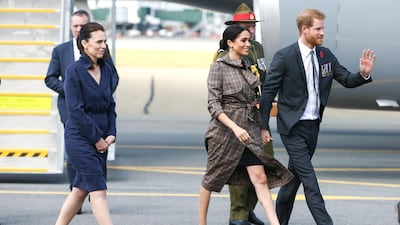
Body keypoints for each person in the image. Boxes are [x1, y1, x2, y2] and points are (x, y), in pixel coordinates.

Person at [259, 8, 376, 225]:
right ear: (305, 29)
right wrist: (263, 126)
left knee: (292, 181)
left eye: (323, 28)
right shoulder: (285, 57)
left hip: (313, 128)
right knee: (310, 182)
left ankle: (278, 221)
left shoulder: (325, 55)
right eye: (318, 28)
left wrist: (363, 74)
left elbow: (347, 80)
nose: (322, 33)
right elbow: (268, 92)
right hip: (292, 128)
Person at [198, 25, 293, 225]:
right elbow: (213, 105)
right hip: (224, 134)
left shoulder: (247, 66)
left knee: (260, 178)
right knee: (211, 181)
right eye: (243, 40)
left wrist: (262, 128)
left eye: (249, 40)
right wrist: (235, 128)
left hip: (248, 130)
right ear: (231, 43)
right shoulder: (219, 67)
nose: (248, 44)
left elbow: (254, 101)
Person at [215, 3, 272, 225]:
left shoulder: (257, 48)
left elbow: (264, 77)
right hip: (236, 117)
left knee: (264, 164)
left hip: (257, 116)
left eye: (253, 24)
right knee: (240, 166)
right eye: (247, 25)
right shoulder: (223, 55)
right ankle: (237, 216)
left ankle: (248, 210)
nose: (251, 28)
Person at [55, 22, 116, 225]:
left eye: (105, 41)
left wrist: (111, 133)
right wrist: (97, 138)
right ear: (84, 44)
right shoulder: (73, 70)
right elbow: (76, 111)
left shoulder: (106, 68)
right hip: (80, 138)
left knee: (79, 191)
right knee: (98, 192)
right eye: (99, 41)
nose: (103, 46)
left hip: (101, 140)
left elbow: (110, 104)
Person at [45, 10, 90, 214]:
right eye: (76, 26)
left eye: (83, 26)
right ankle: (76, 196)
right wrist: (70, 89)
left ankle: (89, 191)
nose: (79, 30)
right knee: (74, 154)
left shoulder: (99, 49)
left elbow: (112, 77)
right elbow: (50, 78)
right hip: (70, 110)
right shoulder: (61, 51)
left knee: (93, 153)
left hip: (93, 111)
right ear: (71, 27)